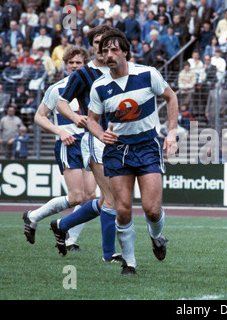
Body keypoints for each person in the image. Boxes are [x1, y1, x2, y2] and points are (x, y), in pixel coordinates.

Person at [86, 28, 178, 275]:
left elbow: (171, 97)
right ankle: (129, 262)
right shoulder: (100, 86)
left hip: (147, 146)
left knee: (152, 209)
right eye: (105, 50)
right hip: (117, 150)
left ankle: (157, 238)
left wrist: (171, 132)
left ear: (125, 52)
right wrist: (99, 133)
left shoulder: (148, 74)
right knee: (123, 208)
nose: (109, 54)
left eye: (114, 49)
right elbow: (92, 119)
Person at [51, 25, 121, 262]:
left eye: (107, 41)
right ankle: (109, 254)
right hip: (95, 140)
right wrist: (75, 117)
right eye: (98, 42)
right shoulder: (83, 74)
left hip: (120, 139)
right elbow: (61, 102)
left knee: (104, 200)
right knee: (111, 198)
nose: (103, 47)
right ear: (93, 46)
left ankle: (63, 224)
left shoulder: (122, 70)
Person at [22, 46, 96, 251]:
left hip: (89, 144)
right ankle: (33, 216)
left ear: (85, 64)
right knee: (76, 198)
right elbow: (39, 116)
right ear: (65, 65)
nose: (74, 66)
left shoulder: (94, 86)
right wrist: (60, 131)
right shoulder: (57, 88)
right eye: (70, 63)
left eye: (78, 63)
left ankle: (70, 239)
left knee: (90, 196)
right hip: (68, 144)